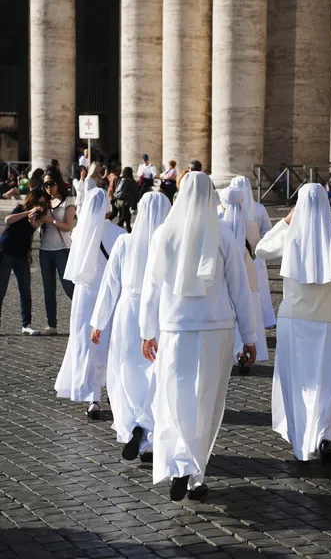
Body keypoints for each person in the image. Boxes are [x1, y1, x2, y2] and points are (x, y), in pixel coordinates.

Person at [139, 172, 257, 501]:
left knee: (176, 398)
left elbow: (151, 288)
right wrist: (250, 337)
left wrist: (146, 332)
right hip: (216, 331)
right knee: (207, 403)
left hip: (175, 328)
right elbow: (240, 290)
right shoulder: (222, 236)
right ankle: (195, 476)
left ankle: (179, 463)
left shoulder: (165, 233)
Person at [256, 183, 331, 464]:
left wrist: (285, 221)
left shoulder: (289, 238)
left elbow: (261, 249)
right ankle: (325, 436)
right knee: (327, 380)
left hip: (294, 317)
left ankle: (300, 441)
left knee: (297, 379)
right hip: (330, 318)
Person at [91, 192, 171, 456]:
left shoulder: (124, 242)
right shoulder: (169, 242)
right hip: (158, 312)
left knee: (126, 371)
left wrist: (98, 322)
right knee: (155, 372)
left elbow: (110, 284)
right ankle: (148, 433)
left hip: (127, 311)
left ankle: (132, 426)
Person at [55, 188, 124, 418]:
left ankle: (92, 398)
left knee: (87, 343)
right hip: (108, 293)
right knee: (110, 343)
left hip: (85, 294)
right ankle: (115, 395)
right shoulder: (118, 233)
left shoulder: (79, 233)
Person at [219, 186, 268, 374]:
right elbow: (256, 249)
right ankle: (244, 349)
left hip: (225, 275)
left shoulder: (220, 225)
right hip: (248, 271)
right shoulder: (251, 226)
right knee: (248, 309)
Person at [0, 188, 48, 335]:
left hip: (21, 254)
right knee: (1, 290)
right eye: (39, 202)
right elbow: (8, 220)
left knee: (25, 289)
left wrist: (29, 251)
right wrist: (28, 212)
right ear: (32, 200)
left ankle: (26, 324)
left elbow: (29, 234)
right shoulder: (20, 208)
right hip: (6, 251)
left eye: (43, 203)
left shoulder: (37, 217)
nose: (41, 206)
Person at [230, 176, 275, 329]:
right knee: (258, 288)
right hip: (254, 256)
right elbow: (268, 232)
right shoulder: (259, 208)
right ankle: (261, 317)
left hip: (236, 255)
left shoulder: (224, 209)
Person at [39, 166, 76, 335]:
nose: (48, 188)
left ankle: (83, 318)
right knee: (48, 288)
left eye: (51, 184)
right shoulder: (43, 202)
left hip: (62, 249)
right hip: (44, 250)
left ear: (58, 183)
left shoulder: (68, 202)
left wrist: (50, 220)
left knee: (69, 287)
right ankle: (51, 325)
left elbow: (68, 226)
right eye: (45, 184)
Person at [114, 167, 140, 233]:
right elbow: (135, 192)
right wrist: (136, 201)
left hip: (120, 201)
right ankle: (116, 228)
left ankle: (128, 231)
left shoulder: (121, 180)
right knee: (124, 216)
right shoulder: (131, 181)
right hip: (127, 202)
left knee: (125, 216)